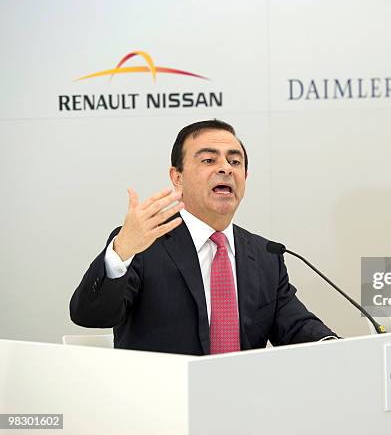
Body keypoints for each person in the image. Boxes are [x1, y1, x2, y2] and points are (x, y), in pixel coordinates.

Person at [70, 119, 336, 355]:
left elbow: (295, 328)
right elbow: (91, 315)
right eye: (209, 160)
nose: (226, 169)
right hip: (160, 403)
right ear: (177, 177)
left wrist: (333, 345)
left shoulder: (266, 255)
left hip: (246, 402)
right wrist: (121, 252)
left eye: (235, 161)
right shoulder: (142, 243)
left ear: (245, 176)